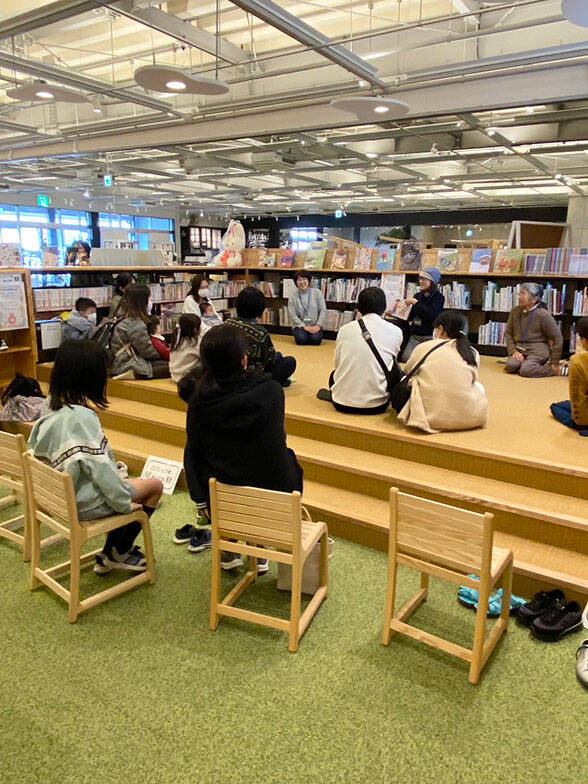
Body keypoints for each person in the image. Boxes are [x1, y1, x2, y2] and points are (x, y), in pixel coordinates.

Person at [28, 340, 163, 574]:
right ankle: (117, 551)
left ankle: (114, 551)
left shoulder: (51, 405)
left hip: (56, 498)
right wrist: (123, 504)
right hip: (82, 502)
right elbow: (103, 475)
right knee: (154, 486)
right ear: (92, 377)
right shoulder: (81, 418)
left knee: (128, 482)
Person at [177, 324, 302, 570]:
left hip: (222, 502)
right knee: (284, 457)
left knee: (208, 459)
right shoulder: (272, 391)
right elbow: (275, 440)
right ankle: (259, 545)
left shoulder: (199, 401)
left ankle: (229, 545)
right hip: (276, 497)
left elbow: (195, 453)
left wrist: (201, 499)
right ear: (244, 361)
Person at [397, 311, 488, 434]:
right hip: (471, 418)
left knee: (409, 380)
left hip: (429, 418)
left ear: (440, 329)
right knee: (479, 387)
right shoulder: (471, 352)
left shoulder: (424, 347)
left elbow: (408, 371)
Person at [318, 286, 403, 414]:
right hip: (377, 405)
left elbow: (338, 364)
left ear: (359, 307)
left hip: (341, 403)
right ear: (384, 307)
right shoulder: (396, 331)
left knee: (334, 374)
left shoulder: (345, 329)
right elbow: (390, 364)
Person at [226, 287, 296, 386]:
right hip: (252, 376)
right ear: (260, 308)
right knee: (290, 361)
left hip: (227, 372)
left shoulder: (227, 323)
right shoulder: (260, 333)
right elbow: (269, 360)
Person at [109, 283, 170, 379]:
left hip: (123, 361)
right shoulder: (135, 323)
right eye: (149, 299)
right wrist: (165, 354)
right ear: (142, 302)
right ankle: (132, 374)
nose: (151, 302)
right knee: (173, 367)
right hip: (127, 364)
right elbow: (148, 351)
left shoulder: (123, 317)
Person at [504, 282, 563, 377]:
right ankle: (525, 364)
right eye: (519, 294)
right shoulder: (515, 311)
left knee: (526, 370)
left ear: (535, 299)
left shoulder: (543, 314)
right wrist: (513, 351)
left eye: (523, 294)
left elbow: (558, 337)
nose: (519, 297)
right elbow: (508, 333)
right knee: (510, 366)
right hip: (520, 348)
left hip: (538, 350)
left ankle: (552, 370)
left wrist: (554, 361)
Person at [550, 316, 588, 436]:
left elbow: (577, 397)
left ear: (584, 340)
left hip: (585, 420)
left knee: (556, 407)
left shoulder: (578, 361)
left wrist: (581, 423)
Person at [399, 267, 445, 361]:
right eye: (420, 278)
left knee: (427, 360)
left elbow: (431, 314)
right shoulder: (418, 296)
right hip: (415, 336)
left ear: (432, 281)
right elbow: (411, 316)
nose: (421, 281)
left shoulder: (439, 297)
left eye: (424, 279)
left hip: (429, 336)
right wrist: (397, 313)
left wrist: (415, 303)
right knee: (406, 358)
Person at [287, 270, 327, 345]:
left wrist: (318, 326)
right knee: (301, 340)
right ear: (296, 282)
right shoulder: (293, 296)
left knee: (316, 340)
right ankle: (305, 334)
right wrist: (305, 327)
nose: (302, 282)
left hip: (315, 324)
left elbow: (323, 310)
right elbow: (292, 315)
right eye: (299, 280)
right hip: (300, 325)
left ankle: (312, 334)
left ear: (309, 280)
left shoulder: (317, 293)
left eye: (304, 279)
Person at [169, 313, 209, 383]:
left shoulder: (177, 340)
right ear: (195, 329)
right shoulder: (195, 342)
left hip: (175, 376)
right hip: (188, 379)